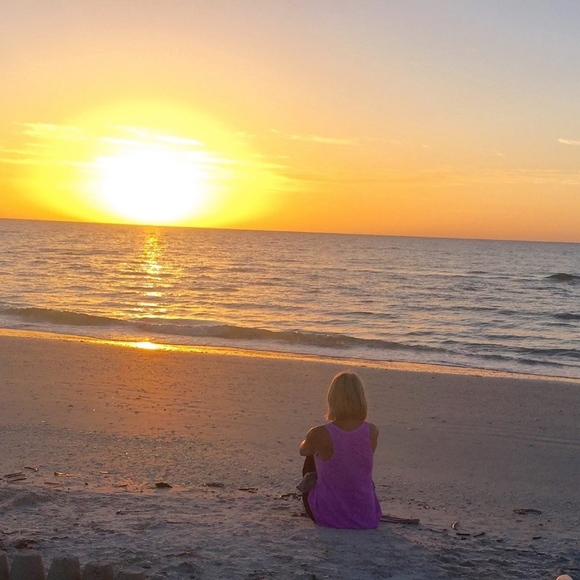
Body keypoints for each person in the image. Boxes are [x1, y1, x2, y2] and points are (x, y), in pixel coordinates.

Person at [298, 371, 382, 529]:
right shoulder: (372, 431)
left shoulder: (319, 433)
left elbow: (303, 450)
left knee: (311, 455)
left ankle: (325, 499)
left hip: (327, 515)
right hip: (367, 516)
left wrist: (311, 442)